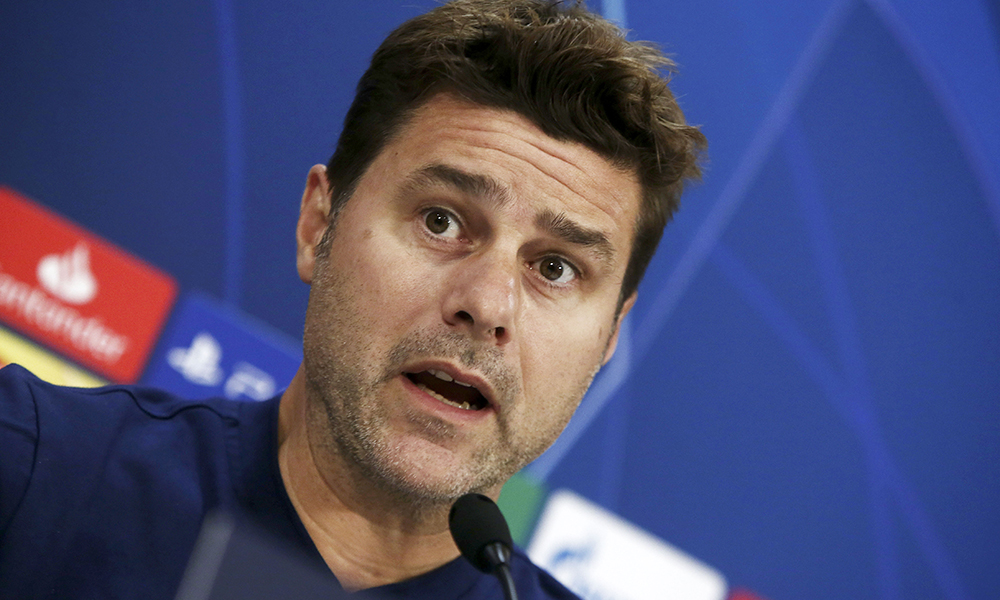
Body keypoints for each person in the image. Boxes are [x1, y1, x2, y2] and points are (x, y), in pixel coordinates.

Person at [0, 1, 705, 598]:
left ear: (610, 338)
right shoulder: (33, 470)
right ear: (319, 225)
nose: (488, 305)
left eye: (555, 268)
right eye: (442, 221)